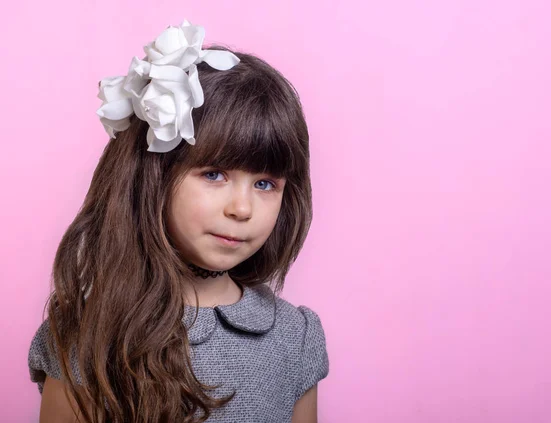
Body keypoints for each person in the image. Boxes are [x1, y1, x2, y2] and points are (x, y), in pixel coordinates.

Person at [27, 19, 329, 423]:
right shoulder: (87, 335)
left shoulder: (295, 338)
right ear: (154, 177)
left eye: (264, 183)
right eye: (214, 174)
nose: (242, 208)